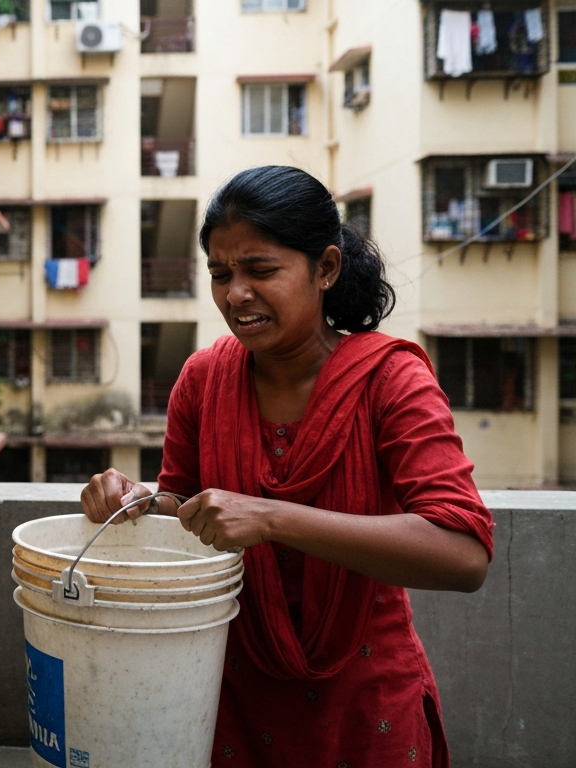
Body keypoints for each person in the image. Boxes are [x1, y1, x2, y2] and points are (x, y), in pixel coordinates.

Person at [80, 166, 493, 767]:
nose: (235, 294)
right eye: (221, 274)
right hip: (231, 697)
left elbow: (463, 552)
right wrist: (137, 503)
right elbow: (187, 514)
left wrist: (273, 518)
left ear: (325, 269)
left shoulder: (391, 380)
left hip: (365, 702)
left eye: (261, 270)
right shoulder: (202, 380)